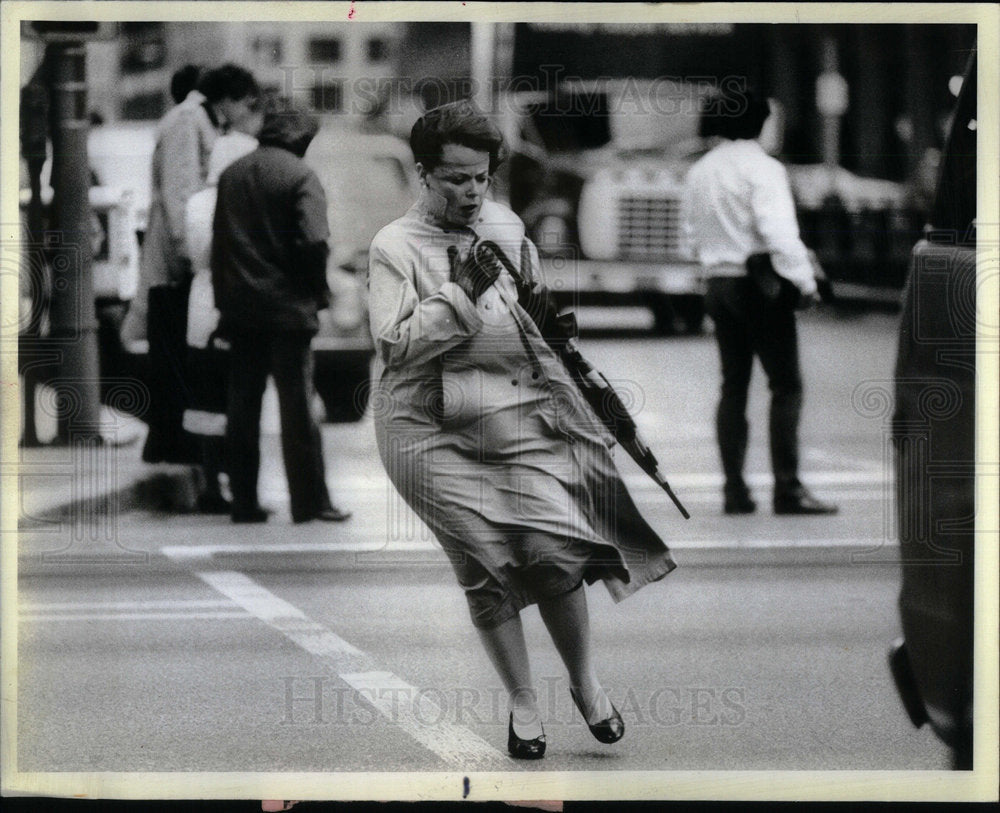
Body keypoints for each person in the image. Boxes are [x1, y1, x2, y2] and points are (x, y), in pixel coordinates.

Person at [367, 100, 676, 759]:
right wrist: (458, 296)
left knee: (555, 549)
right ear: (424, 175)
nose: (471, 191)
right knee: (483, 565)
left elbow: (536, 310)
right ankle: (521, 702)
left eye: (480, 177)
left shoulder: (506, 228)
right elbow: (393, 344)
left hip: (514, 412)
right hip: (425, 426)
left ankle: (585, 683)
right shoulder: (394, 246)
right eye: (454, 178)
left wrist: (562, 347)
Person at [681, 85, 838, 516]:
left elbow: (689, 238)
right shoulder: (763, 168)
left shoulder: (700, 172)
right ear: (760, 122)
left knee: (733, 385)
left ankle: (735, 490)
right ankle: (787, 489)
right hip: (759, 283)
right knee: (785, 385)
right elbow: (780, 235)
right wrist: (807, 284)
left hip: (718, 282)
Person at [211, 96, 350, 526]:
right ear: (299, 137)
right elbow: (313, 241)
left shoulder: (232, 176)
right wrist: (317, 292)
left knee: (243, 408)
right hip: (288, 310)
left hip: (241, 309)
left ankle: (244, 502)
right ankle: (310, 502)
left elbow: (221, 246)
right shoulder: (301, 175)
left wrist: (226, 301)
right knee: (298, 409)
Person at [122, 63, 259, 477]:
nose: (247, 114)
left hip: (181, 261)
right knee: (173, 360)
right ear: (229, 99)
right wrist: (193, 255)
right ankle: (169, 445)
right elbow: (181, 192)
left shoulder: (197, 120)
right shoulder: (187, 120)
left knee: (179, 360)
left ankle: (173, 444)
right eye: (246, 104)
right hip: (176, 265)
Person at [182, 130, 261, 512]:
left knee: (206, 397)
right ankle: (236, 484)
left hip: (200, 300)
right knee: (240, 398)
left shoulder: (196, 202)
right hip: (238, 302)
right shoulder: (242, 200)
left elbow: (191, 252)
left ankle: (211, 482)